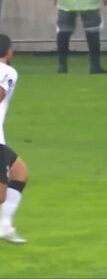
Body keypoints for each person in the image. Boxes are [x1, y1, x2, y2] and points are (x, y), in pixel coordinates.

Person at [0, 34, 28, 245]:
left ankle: (4, 225)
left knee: (19, 172)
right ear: (8, 52)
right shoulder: (7, 72)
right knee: (0, 196)